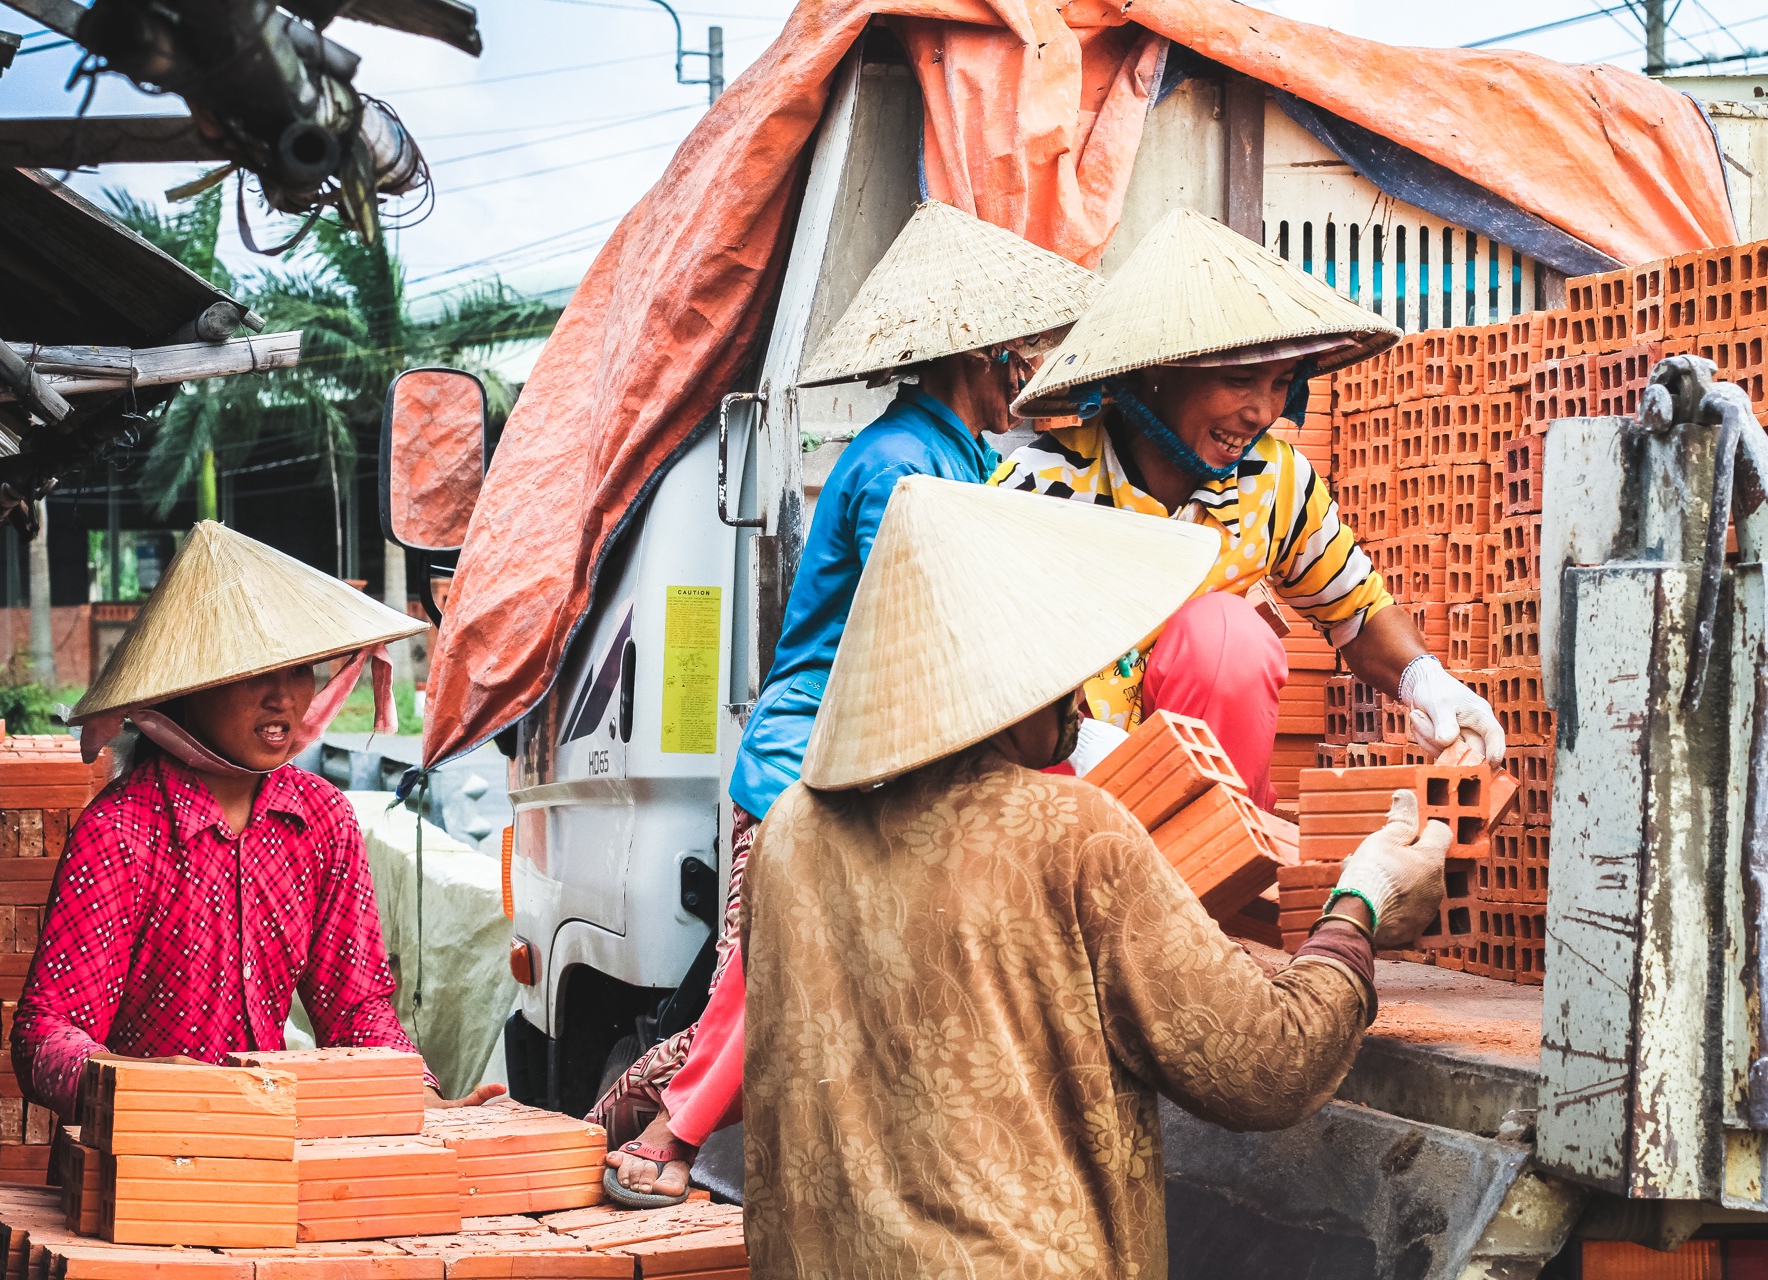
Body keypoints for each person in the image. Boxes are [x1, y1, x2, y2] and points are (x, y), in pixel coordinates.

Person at [742, 475, 1451, 1276]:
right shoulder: (1069, 833)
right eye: (1058, 673)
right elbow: (1267, 1065)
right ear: (1002, 684)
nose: (1077, 699)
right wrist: (1362, 903)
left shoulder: (787, 835)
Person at [597, 200, 1105, 1207]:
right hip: (813, 766)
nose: (1038, 374)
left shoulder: (963, 459)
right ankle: (644, 1130)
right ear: (994, 353)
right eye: (1031, 355)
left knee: (767, 1007)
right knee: (775, 990)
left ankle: (618, 1125)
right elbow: (915, 632)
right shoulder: (897, 465)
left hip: (876, 765)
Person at [999, 207, 1506, 811]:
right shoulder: (1041, 490)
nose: (1262, 412)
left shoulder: (1273, 481)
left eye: (1279, 383)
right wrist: (1079, 742)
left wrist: (1425, 680)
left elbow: (1358, 610)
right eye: (1241, 381)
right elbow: (986, 668)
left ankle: (1220, 862)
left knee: (1228, 635)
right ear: (1158, 372)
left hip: (1211, 797)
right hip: (1062, 791)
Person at [11, 522, 503, 1120]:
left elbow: (356, 1010)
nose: (284, 698)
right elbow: (48, 1030)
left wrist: (420, 1096)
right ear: (184, 687)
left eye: (298, 670)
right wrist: (134, 1085)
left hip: (269, 1150)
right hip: (145, 1159)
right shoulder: (122, 833)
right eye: (253, 674)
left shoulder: (321, 820)